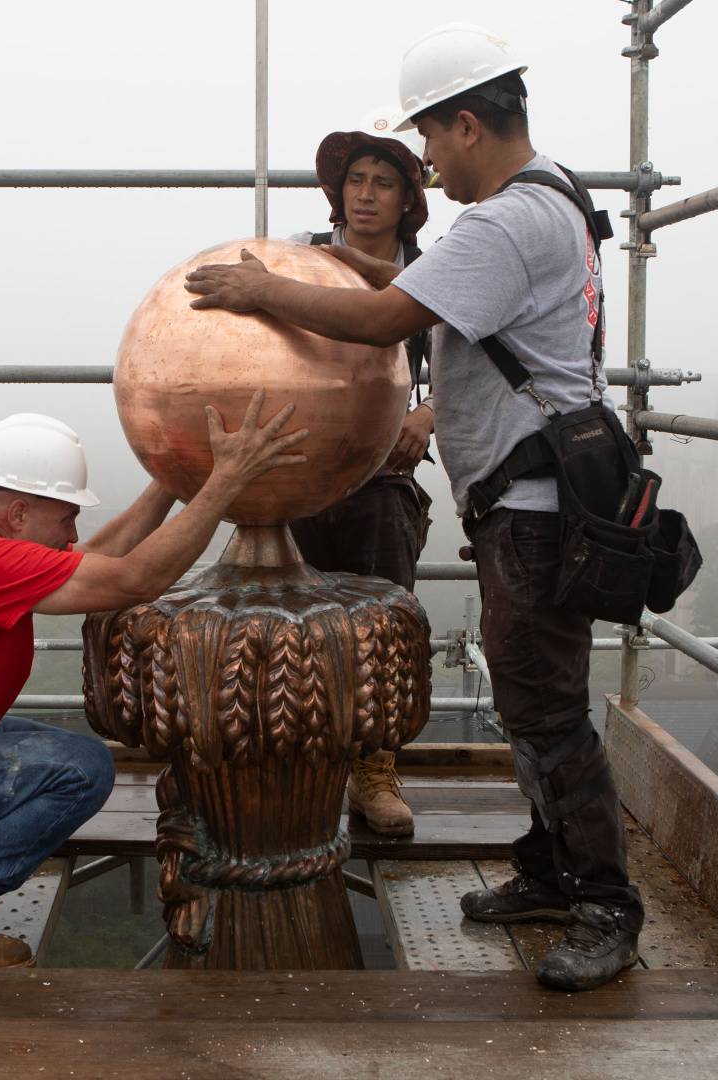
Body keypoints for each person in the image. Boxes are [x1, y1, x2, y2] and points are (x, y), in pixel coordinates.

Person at [183, 23, 641, 992]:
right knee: (529, 696)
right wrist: (341, 270)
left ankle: (605, 905)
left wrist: (266, 291)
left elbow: (394, 317)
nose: (425, 163)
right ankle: (551, 868)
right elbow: (423, 288)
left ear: (468, 125)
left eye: (429, 141)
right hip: (536, 493)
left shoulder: (507, 220)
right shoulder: (554, 195)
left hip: (531, 503)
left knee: (545, 706)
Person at [0, 397, 308, 968]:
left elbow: (98, 558)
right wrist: (225, 483)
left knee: (40, 749)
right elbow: (134, 578)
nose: (74, 531)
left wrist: (171, 484)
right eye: (66, 515)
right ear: (20, 514)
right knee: (81, 769)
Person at [286, 109, 435, 838]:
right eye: (356, 181)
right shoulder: (300, 259)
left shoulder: (434, 271)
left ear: (408, 200)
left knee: (381, 623)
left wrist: (427, 415)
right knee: (287, 622)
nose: (367, 195)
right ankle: (292, 760)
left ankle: (373, 768)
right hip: (301, 466)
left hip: (381, 473)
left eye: (384, 182)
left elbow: (470, 354)